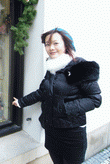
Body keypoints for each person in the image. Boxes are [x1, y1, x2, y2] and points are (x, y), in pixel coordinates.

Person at [12, 28, 102, 164]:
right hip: (52, 131)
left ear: (66, 45)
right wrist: (21, 102)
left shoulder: (78, 67)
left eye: (55, 43)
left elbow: (95, 99)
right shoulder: (52, 68)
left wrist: (65, 108)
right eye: (47, 44)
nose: (50, 48)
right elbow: (42, 92)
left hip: (72, 133)